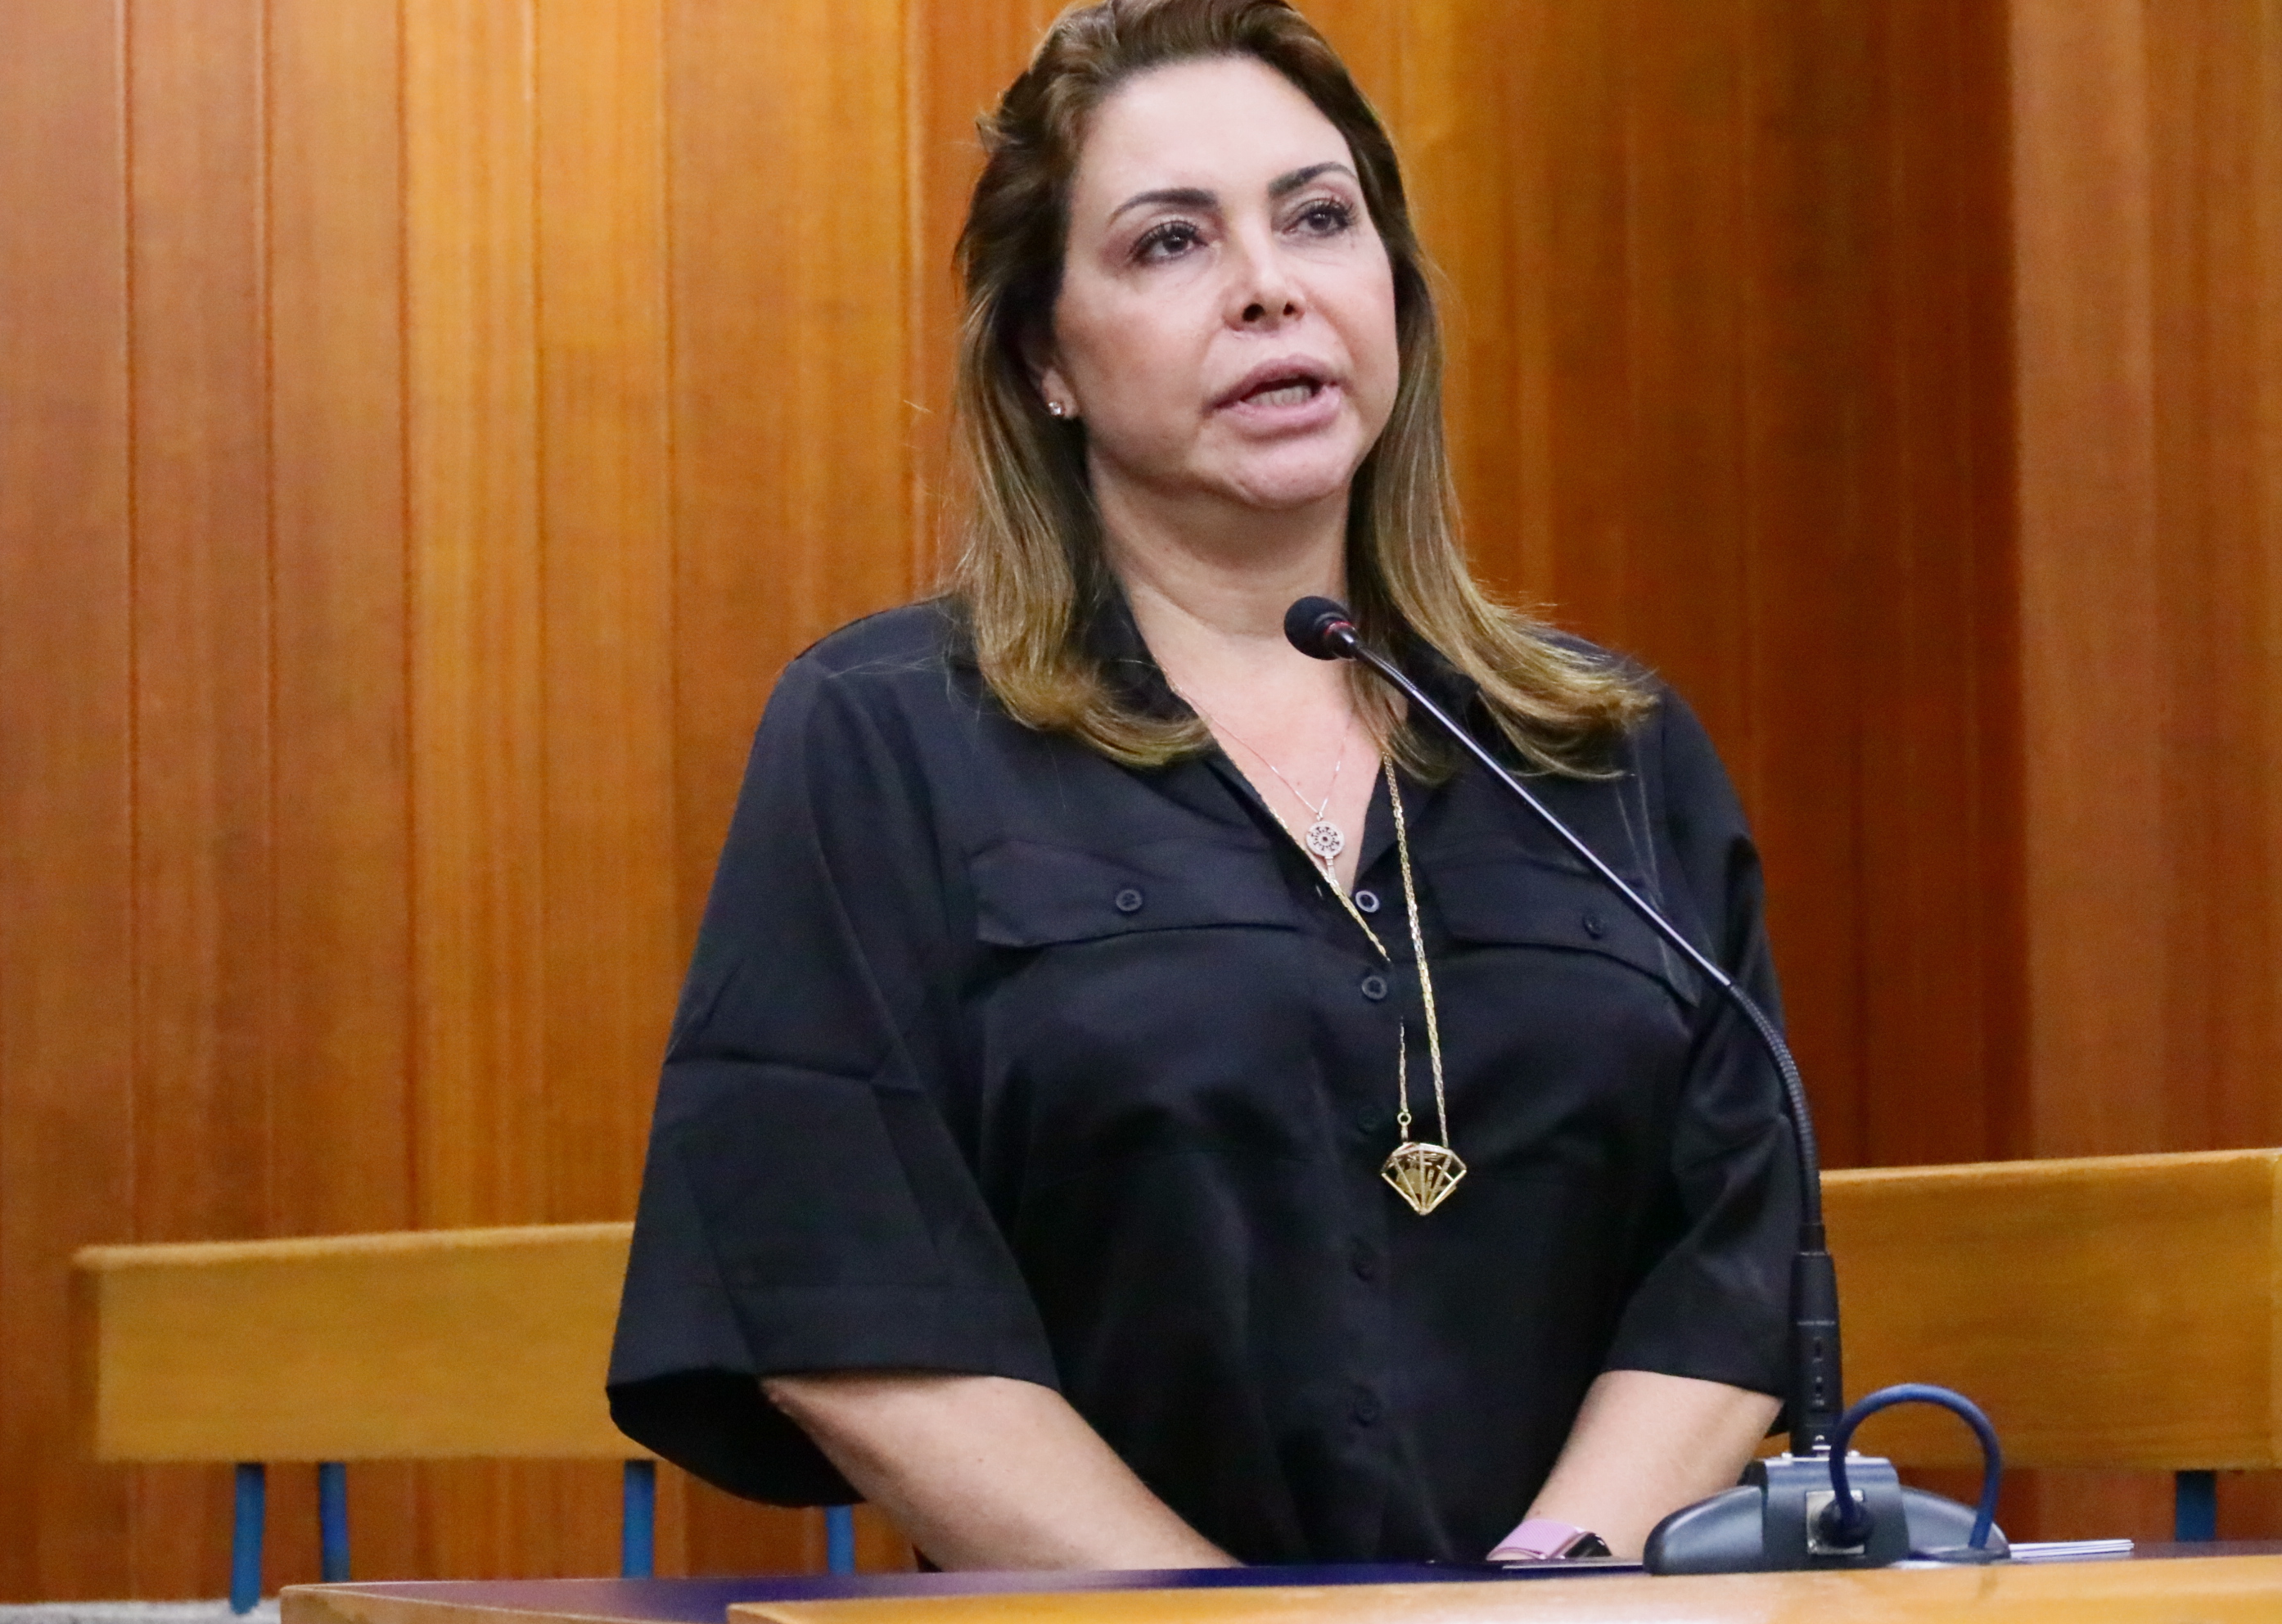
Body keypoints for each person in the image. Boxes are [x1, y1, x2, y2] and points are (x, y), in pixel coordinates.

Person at [608, 0, 1795, 1570]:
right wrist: (1221, 1621)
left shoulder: (1608, 751)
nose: (1268, 287)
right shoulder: (887, 738)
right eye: (1170, 242)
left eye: (1318, 218)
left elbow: (1730, 1261)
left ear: (1391, 289)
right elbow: (843, 1287)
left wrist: (1543, 1595)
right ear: (1045, 357)